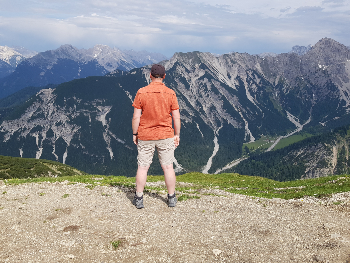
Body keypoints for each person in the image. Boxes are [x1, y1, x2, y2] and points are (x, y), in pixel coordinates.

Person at [131, 64, 181, 209]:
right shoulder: (171, 93)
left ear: (150, 76)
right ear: (164, 76)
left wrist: (135, 133)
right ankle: (171, 197)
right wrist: (176, 134)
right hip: (165, 135)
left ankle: (139, 198)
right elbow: (176, 117)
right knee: (168, 167)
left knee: (142, 167)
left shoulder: (141, 92)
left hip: (145, 135)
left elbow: (136, 117)